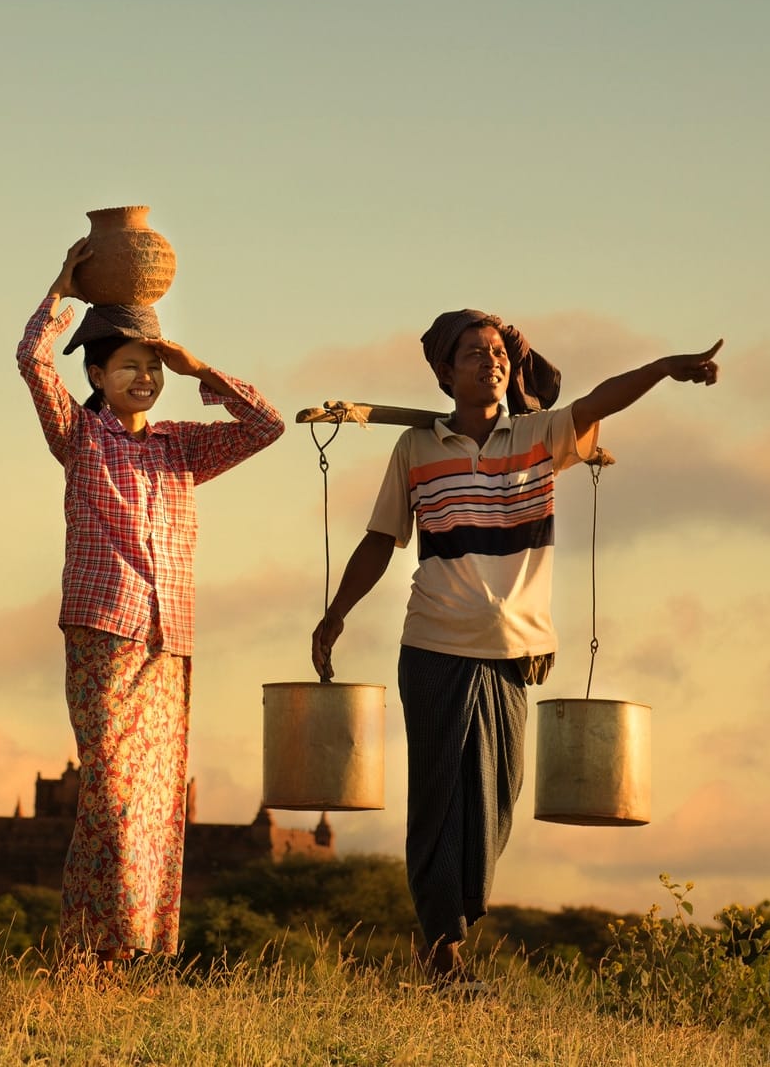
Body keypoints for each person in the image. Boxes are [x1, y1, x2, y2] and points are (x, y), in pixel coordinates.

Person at [309, 309, 720, 983]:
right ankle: (443, 945)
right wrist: (336, 614)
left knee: (494, 797)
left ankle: (454, 923)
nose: (489, 361)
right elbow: (381, 538)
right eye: (472, 353)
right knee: (438, 796)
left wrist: (666, 368)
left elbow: (599, 398)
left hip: (515, 649)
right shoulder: (416, 450)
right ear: (445, 371)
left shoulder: (539, 437)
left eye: (498, 351)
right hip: (435, 640)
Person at [16, 238, 285, 962]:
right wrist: (60, 289)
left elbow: (266, 425)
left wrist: (200, 369)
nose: (146, 376)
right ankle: (100, 947)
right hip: (106, 633)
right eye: (131, 364)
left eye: (154, 365)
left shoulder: (181, 447)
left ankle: (138, 954)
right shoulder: (80, 437)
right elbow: (33, 361)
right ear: (98, 373)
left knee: (160, 804)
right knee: (112, 796)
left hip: (171, 644)